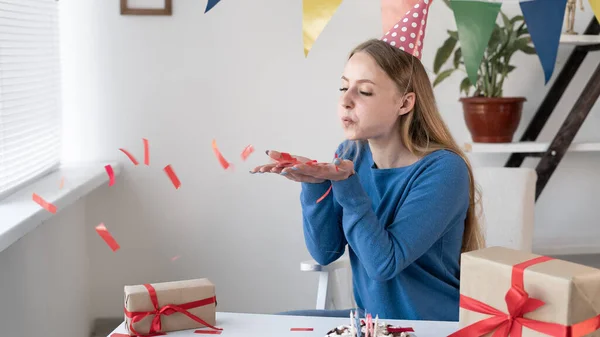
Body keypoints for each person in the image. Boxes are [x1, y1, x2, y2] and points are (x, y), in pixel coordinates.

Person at [250, 0, 484, 321]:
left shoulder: (444, 170)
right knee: (270, 326)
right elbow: (325, 252)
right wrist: (315, 187)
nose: (345, 100)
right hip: (370, 321)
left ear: (405, 103)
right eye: (344, 87)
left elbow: (382, 264)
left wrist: (345, 184)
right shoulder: (350, 155)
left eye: (364, 91)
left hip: (427, 326)